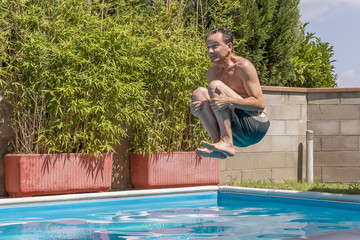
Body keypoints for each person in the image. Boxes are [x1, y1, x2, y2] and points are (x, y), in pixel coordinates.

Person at [190, 27, 270, 159]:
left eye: (215, 46)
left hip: (255, 124)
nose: (210, 51)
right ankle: (218, 146)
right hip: (235, 129)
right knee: (199, 93)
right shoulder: (211, 73)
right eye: (208, 47)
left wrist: (229, 101)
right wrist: (199, 110)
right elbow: (218, 108)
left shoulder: (243, 66)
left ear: (229, 46)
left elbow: (260, 104)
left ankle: (226, 142)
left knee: (215, 86)